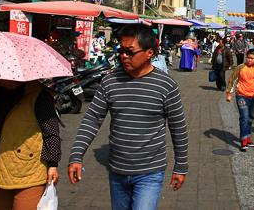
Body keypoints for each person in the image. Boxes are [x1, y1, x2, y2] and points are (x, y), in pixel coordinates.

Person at [68, 24, 188, 210]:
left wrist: (180, 166)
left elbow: (178, 128)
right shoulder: (110, 81)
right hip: (117, 170)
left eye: (129, 52)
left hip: (150, 172)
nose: (123, 56)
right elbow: (92, 119)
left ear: (150, 53)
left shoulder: (166, 85)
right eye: (121, 51)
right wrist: (76, 155)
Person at [0, 79, 61, 210]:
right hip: (0, 165)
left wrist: (53, 164)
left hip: (29, 168)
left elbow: (52, 133)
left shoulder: (39, 96)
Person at [226, 49, 254, 151]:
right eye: (248, 58)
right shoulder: (241, 67)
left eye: (252, 58)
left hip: (253, 96)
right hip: (241, 95)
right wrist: (229, 93)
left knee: (250, 117)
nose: (249, 60)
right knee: (244, 117)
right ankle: (243, 140)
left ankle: (248, 137)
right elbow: (232, 79)